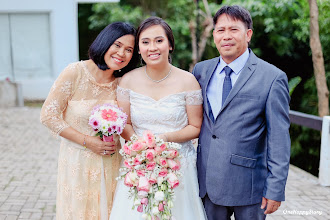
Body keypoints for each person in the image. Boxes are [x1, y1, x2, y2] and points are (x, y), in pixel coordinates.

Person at [192, 5, 291, 220]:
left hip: (250, 187)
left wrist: (275, 188)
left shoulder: (272, 77)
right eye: (220, 30)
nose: (226, 36)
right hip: (207, 182)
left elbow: (279, 138)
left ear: (248, 34)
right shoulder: (201, 71)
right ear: (213, 35)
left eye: (233, 29)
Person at [110, 17, 207, 220]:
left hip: (179, 166)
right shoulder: (127, 80)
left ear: (170, 44)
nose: (152, 47)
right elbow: (124, 124)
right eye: (145, 42)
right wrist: (142, 149)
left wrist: (163, 139)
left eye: (159, 41)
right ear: (138, 48)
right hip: (139, 164)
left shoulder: (188, 81)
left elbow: (195, 126)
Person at [40, 22, 138, 219]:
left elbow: (129, 123)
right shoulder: (75, 72)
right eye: (117, 45)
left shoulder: (123, 83)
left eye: (129, 50)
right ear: (105, 42)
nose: (122, 53)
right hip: (77, 162)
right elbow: (48, 115)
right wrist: (87, 141)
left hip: (112, 163)